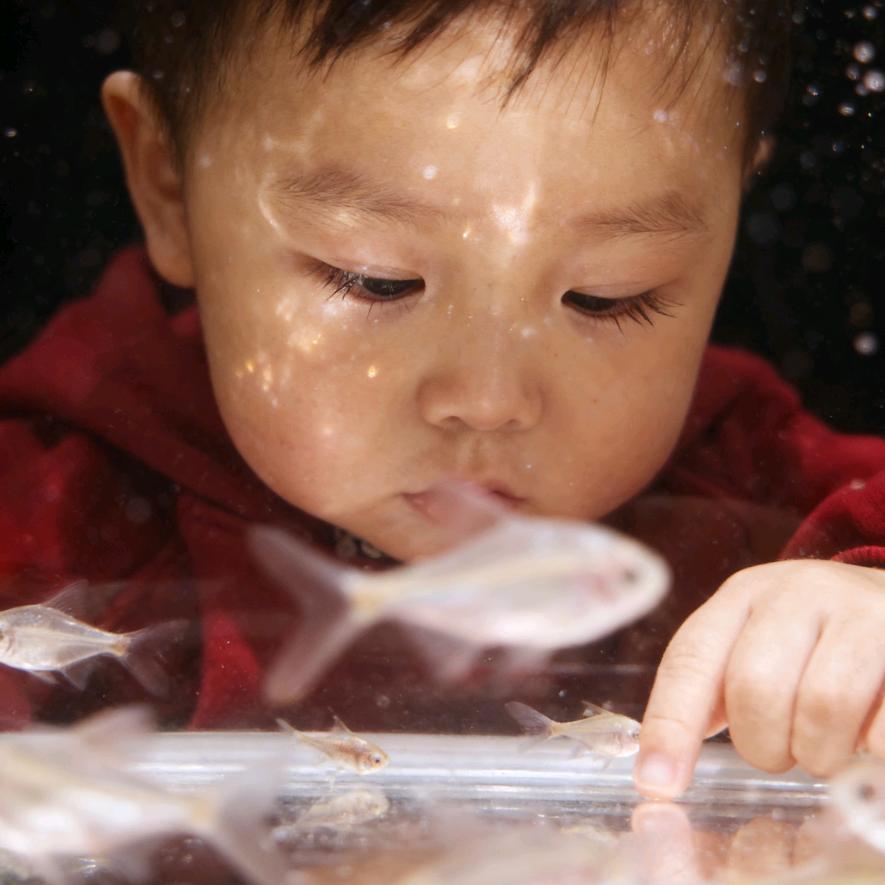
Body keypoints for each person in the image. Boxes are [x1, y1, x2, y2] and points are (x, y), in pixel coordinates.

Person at [0, 0, 882, 802]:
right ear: (167, 187)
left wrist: (859, 612)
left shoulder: (762, 487)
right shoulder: (52, 507)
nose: (488, 398)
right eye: (375, 279)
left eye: (607, 297)